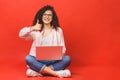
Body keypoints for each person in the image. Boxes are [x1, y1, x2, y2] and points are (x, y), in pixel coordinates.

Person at [19, 5, 71, 78]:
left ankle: (39, 71)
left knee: (67, 59)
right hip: (38, 60)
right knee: (28, 58)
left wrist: (58, 54)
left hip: (53, 60)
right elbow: (21, 34)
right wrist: (33, 28)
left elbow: (63, 48)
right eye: (45, 14)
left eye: (49, 15)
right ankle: (55, 73)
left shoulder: (58, 30)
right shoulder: (36, 31)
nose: (47, 17)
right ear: (41, 16)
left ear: (53, 18)